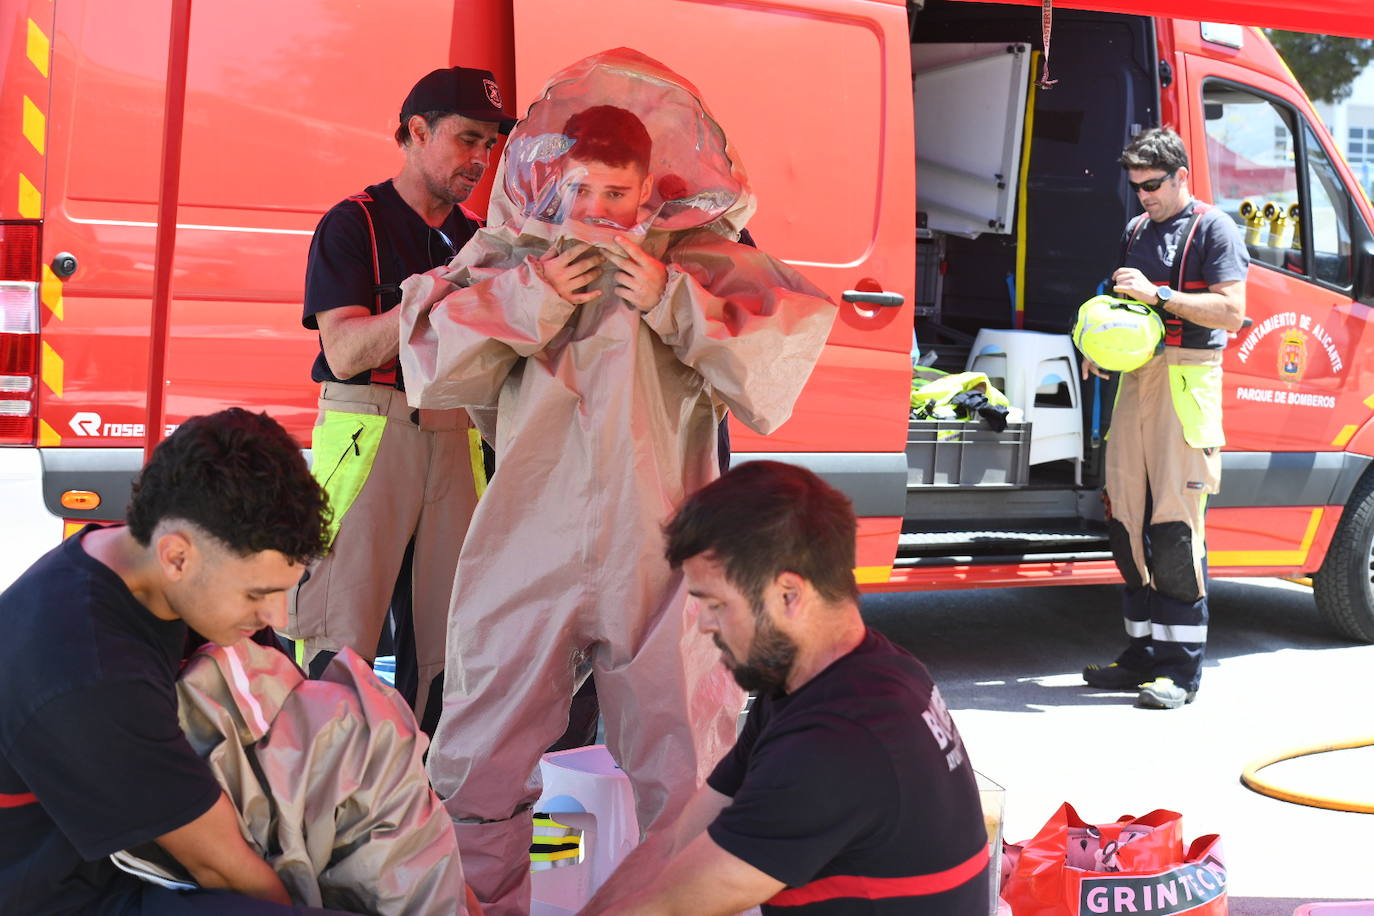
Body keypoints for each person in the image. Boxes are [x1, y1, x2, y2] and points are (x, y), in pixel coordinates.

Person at [397, 49, 838, 916]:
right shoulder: (514, 255)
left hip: (662, 550)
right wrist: (532, 297)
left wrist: (673, 298)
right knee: (479, 757)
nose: (598, 209)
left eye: (617, 192)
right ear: (555, 183)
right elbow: (428, 360)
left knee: (689, 764)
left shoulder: (698, 261)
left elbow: (777, 360)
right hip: (528, 543)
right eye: (583, 189)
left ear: (649, 191)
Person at [581, 460, 989, 916]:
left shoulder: (838, 740)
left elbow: (670, 906)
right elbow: (675, 842)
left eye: (716, 604)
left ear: (788, 595)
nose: (705, 625)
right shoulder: (843, 677)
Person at [0, 408, 358, 914]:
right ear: (176, 557)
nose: (277, 616)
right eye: (257, 594)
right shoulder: (90, 672)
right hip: (67, 894)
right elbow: (223, 869)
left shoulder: (148, 564)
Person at [286, 65, 516, 729]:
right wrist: (438, 290)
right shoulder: (352, 222)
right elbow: (344, 352)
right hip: (369, 427)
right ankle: (324, 782)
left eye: (490, 144)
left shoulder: (478, 238)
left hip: (458, 432)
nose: (481, 158)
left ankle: (423, 784)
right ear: (417, 131)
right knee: (339, 632)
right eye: (467, 138)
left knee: (451, 640)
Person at [1080, 127, 1248, 710]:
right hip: (1136, 378)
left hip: (1187, 381)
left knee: (1175, 530)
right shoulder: (1134, 230)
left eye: (1153, 185)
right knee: (1126, 522)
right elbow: (1121, 303)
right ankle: (1141, 657)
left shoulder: (1215, 229)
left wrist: (1161, 295)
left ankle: (1180, 672)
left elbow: (1232, 312)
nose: (1144, 196)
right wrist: (1099, 347)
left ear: (1181, 177)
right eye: (1136, 186)